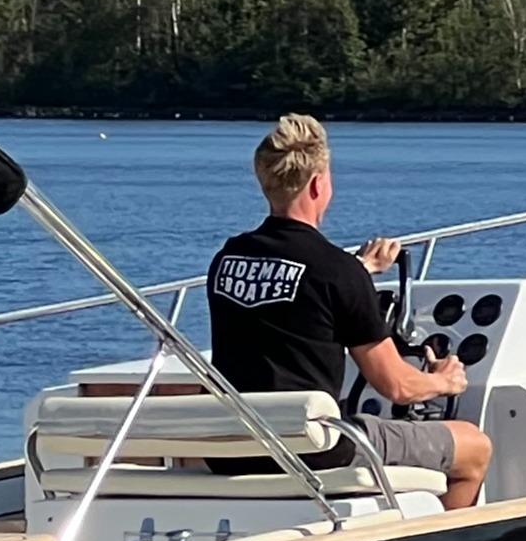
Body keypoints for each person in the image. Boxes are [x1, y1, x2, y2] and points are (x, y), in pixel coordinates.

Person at [204, 113, 490, 511]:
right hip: (315, 449)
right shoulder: (336, 272)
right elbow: (398, 387)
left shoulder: (229, 258)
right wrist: (445, 381)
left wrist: (359, 270)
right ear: (319, 184)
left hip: (236, 447)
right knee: (474, 447)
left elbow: (287, 295)